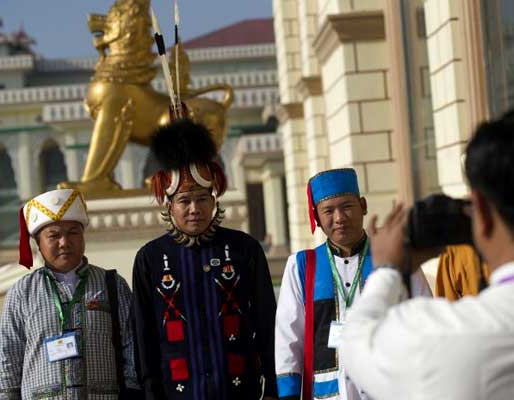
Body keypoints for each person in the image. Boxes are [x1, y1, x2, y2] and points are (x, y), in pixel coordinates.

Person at [339, 111, 514, 399]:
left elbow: (358, 342)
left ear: (480, 211)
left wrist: (386, 270)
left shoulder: (448, 336)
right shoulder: (303, 265)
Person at [131, 119, 278, 400]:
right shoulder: (149, 259)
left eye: (202, 199)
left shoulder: (244, 249)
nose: (194, 209)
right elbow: (144, 337)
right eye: (185, 200)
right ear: (170, 205)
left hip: (239, 390)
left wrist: (272, 388)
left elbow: (266, 323)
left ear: (214, 201)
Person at [274, 168, 431, 400]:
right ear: (316, 217)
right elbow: (289, 338)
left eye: (347, 206)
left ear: (363, 206)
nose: (339, 218)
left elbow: (424, 321)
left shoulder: (395, 258)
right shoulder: (301, 267)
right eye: (328, 210)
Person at [0, 188, 140, 400]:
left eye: (73, 232)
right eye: (54, 235)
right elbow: (9, 359)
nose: (64, 242)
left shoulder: (112, 285)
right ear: (38, 243)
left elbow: (131, 347)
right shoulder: (22, 293)